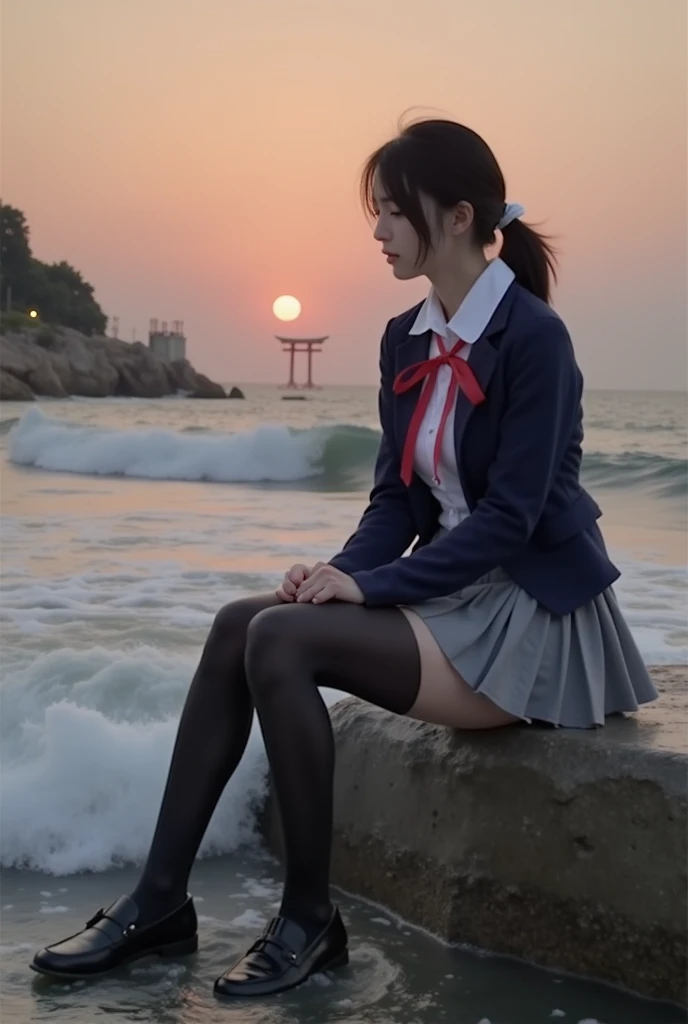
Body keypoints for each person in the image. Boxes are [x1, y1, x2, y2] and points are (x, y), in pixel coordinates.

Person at [30, 118, 658, 999]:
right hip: (451, 599)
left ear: (455, 216)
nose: (377, 233)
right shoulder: (405, 336)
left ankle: (309, 918)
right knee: (242, 624)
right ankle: (159, 904)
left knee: (283, 644)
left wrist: (371, 588)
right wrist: (332, 573)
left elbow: (511, 521)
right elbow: (396, 502)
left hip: (527, 619)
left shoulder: (535, 339)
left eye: (393, 212)